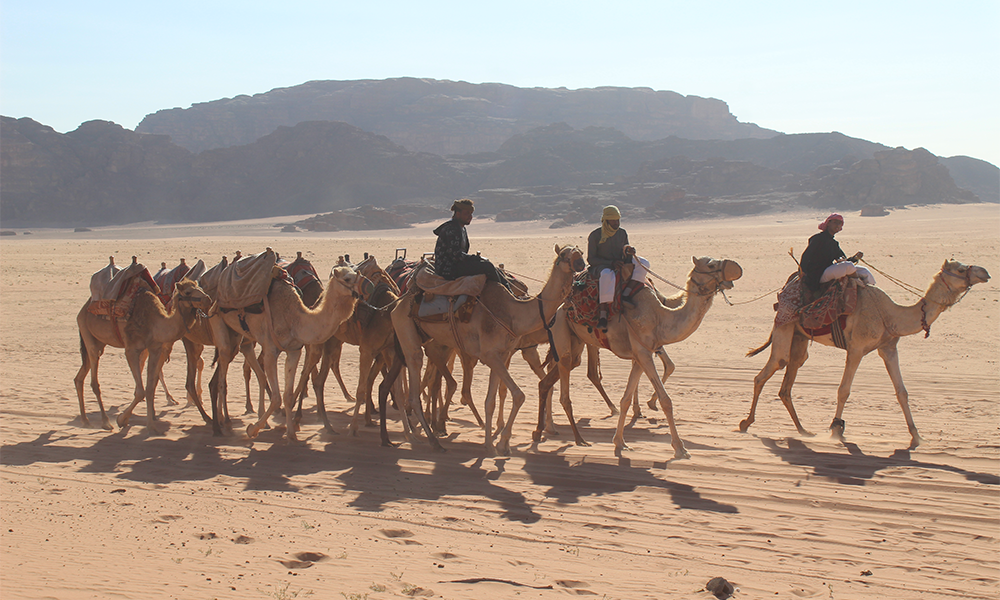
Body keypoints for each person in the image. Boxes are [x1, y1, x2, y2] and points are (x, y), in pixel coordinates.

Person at [587, 205, 649, 330]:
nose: (616, 223)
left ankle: (626, 293)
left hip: (620, 263)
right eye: (613, 220)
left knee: (644, 263)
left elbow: (624, 250)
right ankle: (603, 314)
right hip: (601, 266)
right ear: (606, 221)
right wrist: (611, 263)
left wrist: (629, 251)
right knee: (607, 274)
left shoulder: (622, 233)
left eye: (618, 220)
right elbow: (591, 259)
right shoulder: (595, 235)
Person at [433, 198, 512, 292]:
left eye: (471, 214)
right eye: (467, 213)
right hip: (448, 268)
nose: (470, 217)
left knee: (493, 268)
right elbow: (455, 255)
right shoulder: (451, 229)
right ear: (458, 214)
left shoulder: (460, 228)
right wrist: (475, 258)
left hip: (456, 264)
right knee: (487, 266)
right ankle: (506, 292)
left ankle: (506, 289)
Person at [799, 213, 875, 295]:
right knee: (848, 266)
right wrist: (802, 271)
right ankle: (858, 283)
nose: (838, 225)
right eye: (835, 222)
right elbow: (806, 255)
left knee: (864, 271)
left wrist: (855, 258)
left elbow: (844, 260)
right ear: (828, 223)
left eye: (840, 223)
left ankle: (870, 292)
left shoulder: (834, 243)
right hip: (818, 274)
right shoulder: (817, 238)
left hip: (829, 269)